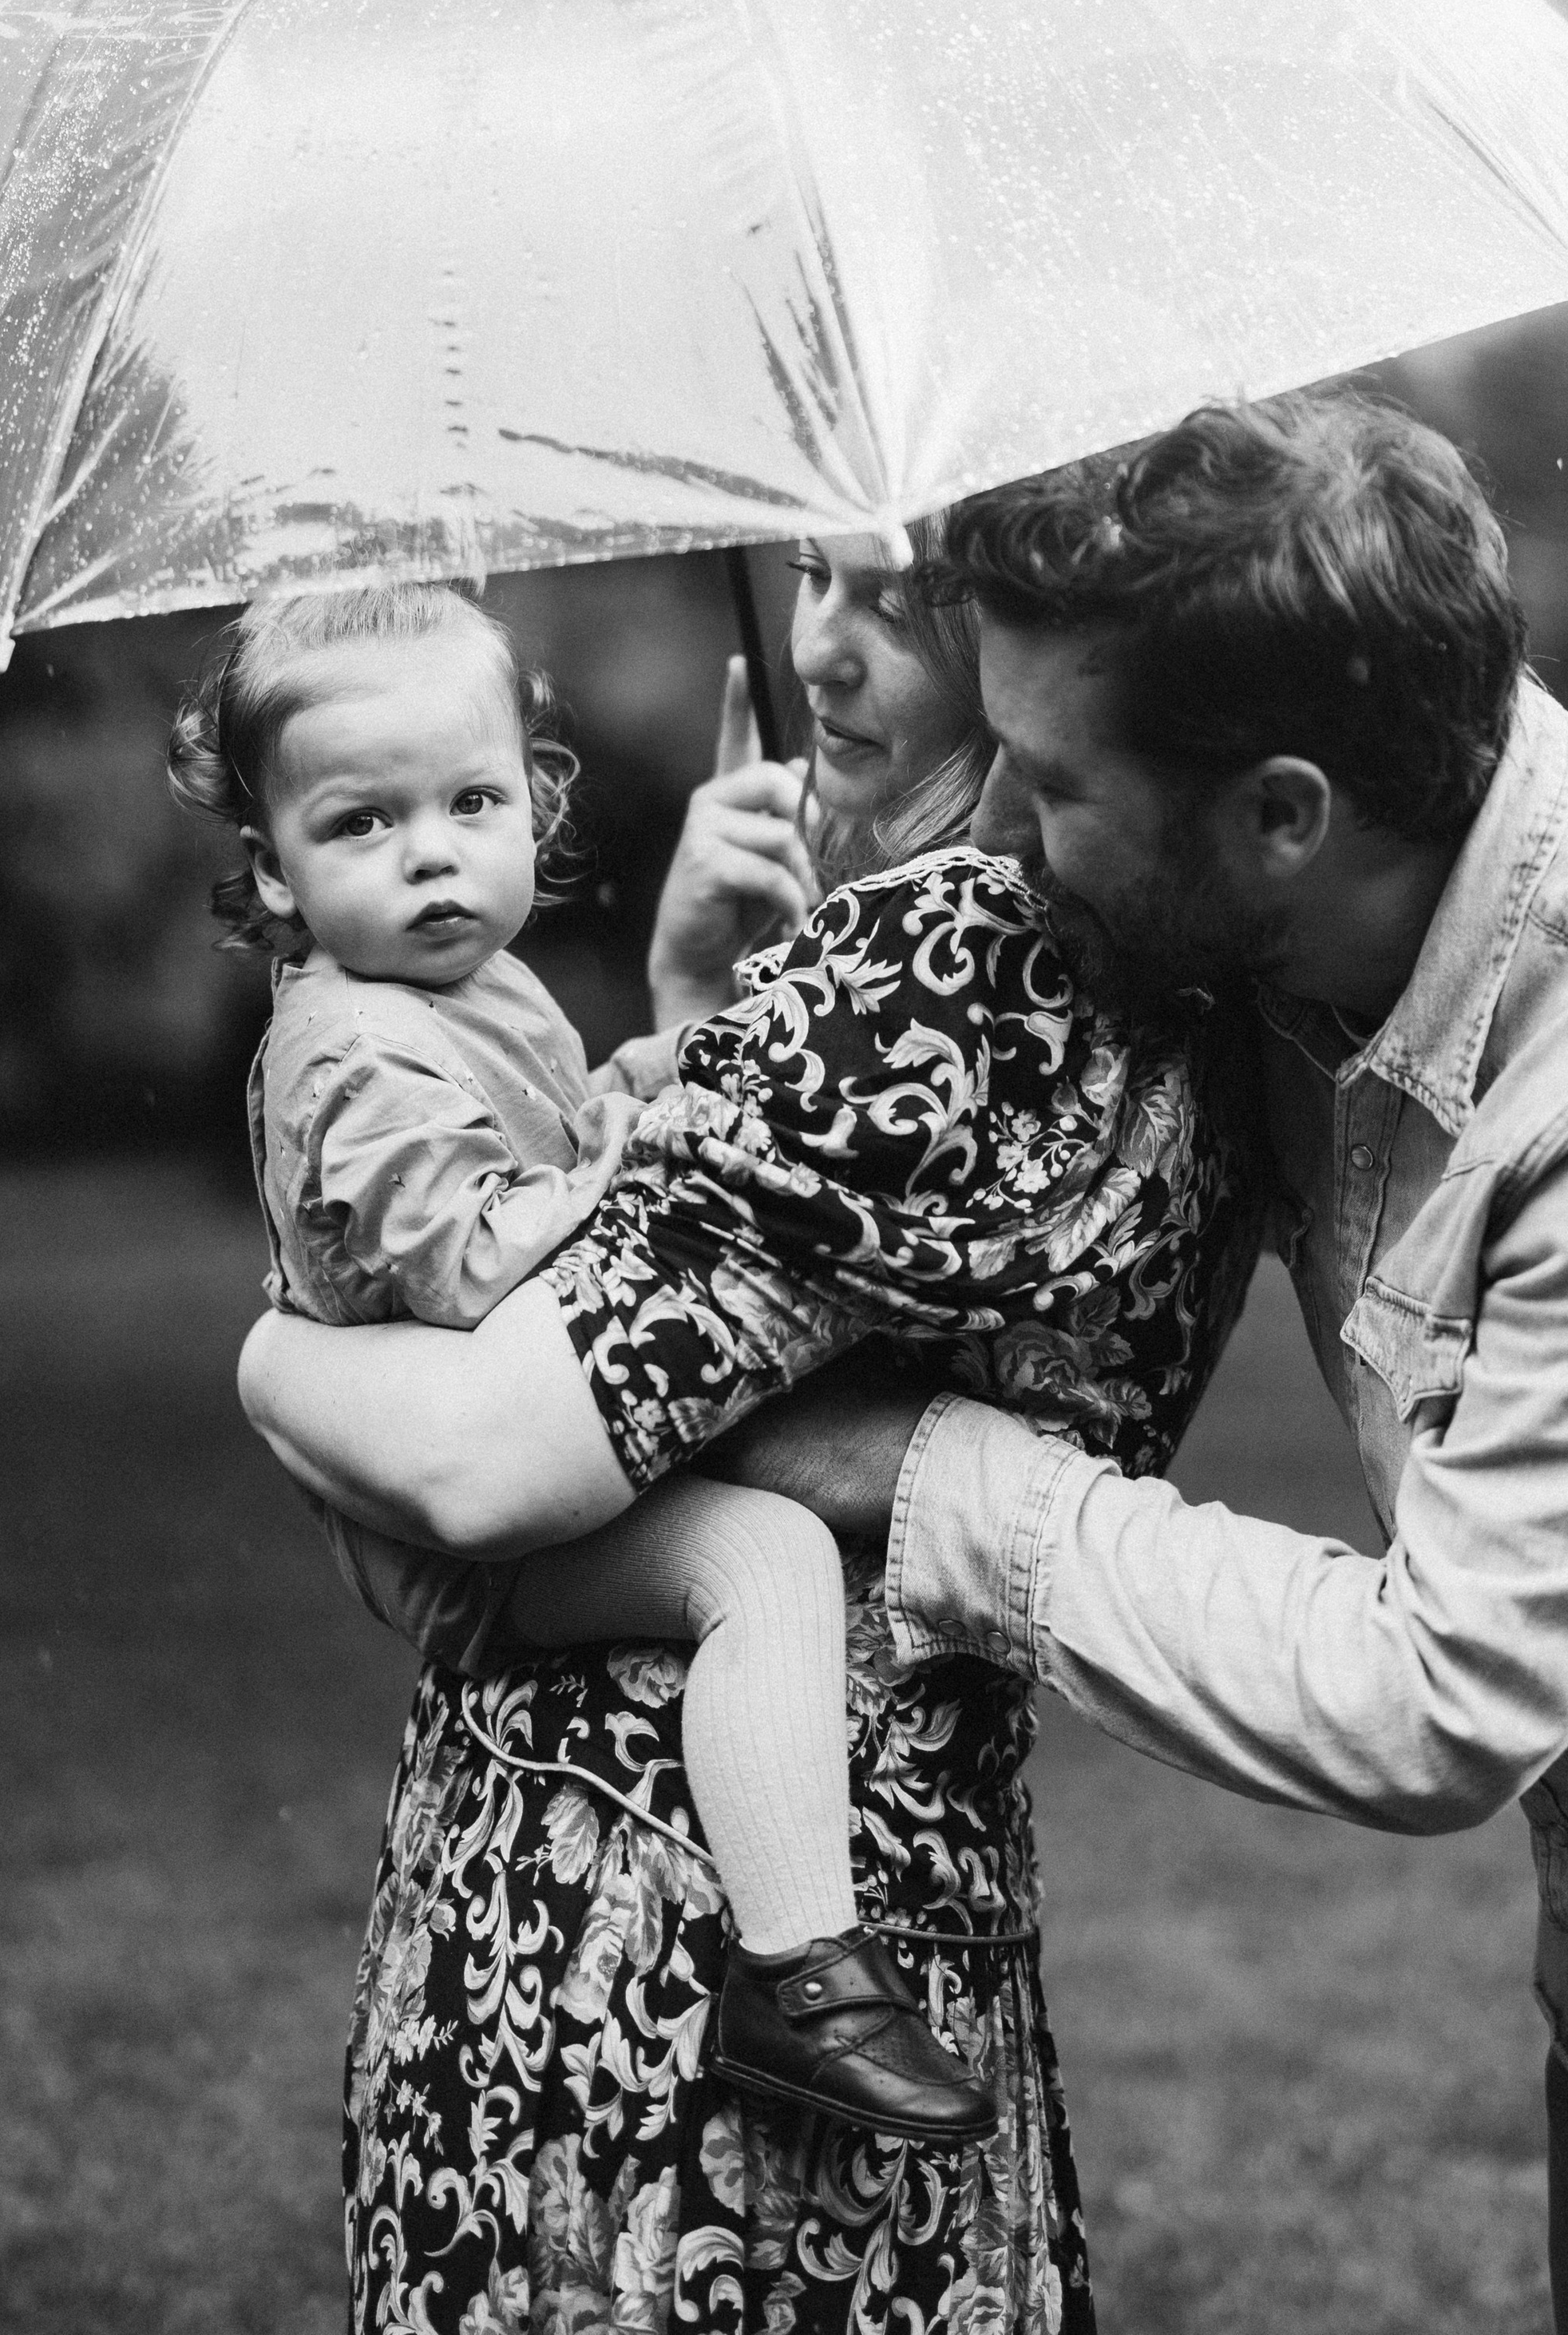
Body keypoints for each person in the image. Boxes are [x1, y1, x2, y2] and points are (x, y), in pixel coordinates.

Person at [750, 393, 1568, 2335]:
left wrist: (930, 1477)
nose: (1007, 834)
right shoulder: (1284, 937)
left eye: (1050, 783)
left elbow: (1437, 1699)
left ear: (1280, 813)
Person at [237, 527, 1265, 2335]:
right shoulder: (1178, 948)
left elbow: (512, 1424)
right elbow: (722, 1301)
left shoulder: (941, 956)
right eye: (815, 578)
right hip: (910, 1884)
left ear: (1037, 636)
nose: (822, 650)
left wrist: (273, 1366)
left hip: (643, 1927)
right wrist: (713, 1018)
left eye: (902, 602)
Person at [168, 576, 988, 2140]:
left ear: (534, 808)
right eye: (360, 824)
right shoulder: (354, 1048)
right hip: (464, 1535)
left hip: (511, 1462)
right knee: (762, 1558)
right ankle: (800, 1972)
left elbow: (547, 1137)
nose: (428, 853)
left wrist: (667, 1064)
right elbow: (475, 1259)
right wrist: (638, 1148)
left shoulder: (460, 989)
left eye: (469, 803)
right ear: (272, 871)